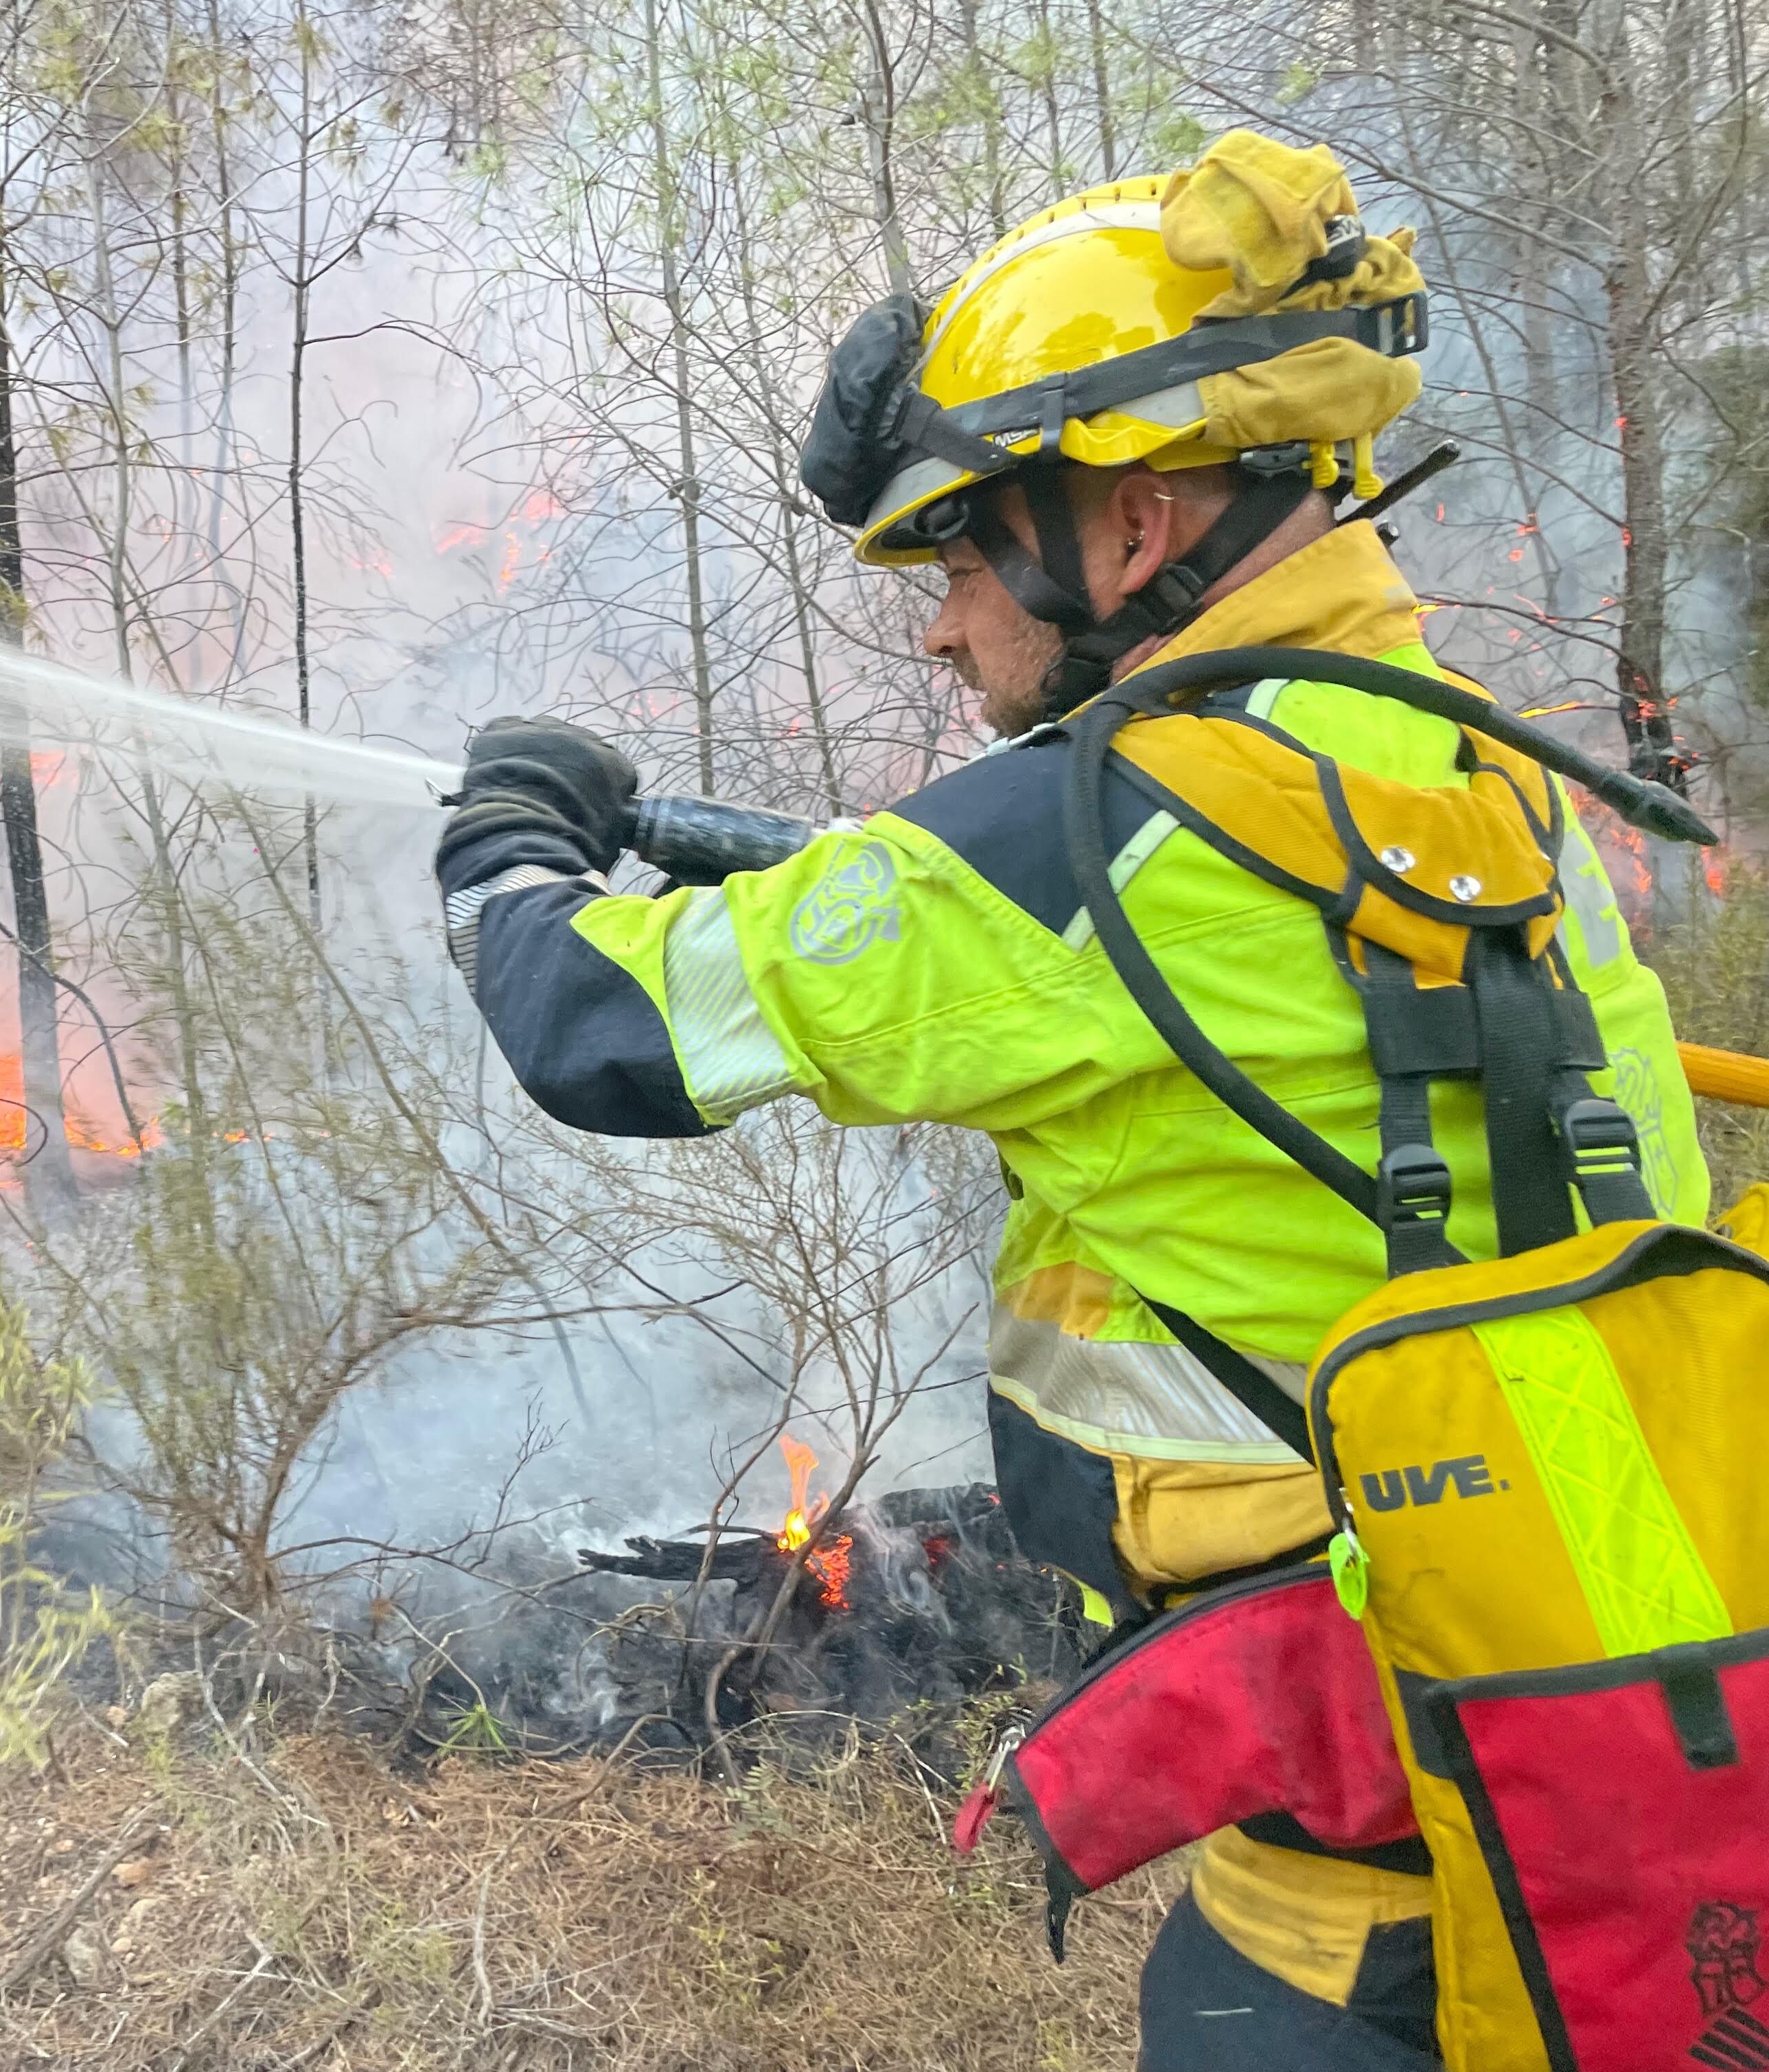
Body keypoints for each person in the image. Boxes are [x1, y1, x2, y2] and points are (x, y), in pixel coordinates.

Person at [434, 132, 1708, 2064]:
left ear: (1133, 520)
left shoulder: (1081, 842)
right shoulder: (1473, 781)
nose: (944, 621)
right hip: (1590, 1756)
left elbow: (594, 1027)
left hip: (1351, 1929)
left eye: (959, 552)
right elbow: (1142, 952)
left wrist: (511, 846)